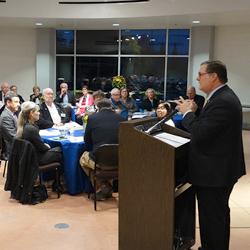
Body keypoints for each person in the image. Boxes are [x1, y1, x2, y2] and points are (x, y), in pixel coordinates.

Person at [175, 60, 246, 250]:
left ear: (213, 76)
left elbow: (200, 133)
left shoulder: (223, 101)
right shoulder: (219, 97)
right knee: (214, 217)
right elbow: (210, 128)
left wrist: (187, 114)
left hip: (215, 172)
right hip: (217, 169)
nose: (197, 78)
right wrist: (196, 113)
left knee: (213, 218)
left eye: (200, 74)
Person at [80, 98, 126, 201]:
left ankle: (102, 186)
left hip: (100, 161)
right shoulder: (122, 119)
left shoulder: (92, 118)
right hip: (119, 160)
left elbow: (87, 140)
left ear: (97, 108)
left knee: (83, 159)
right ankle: (105, 186)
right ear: (111, 107)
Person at [16, 101, 62, 166]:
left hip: (28, 157)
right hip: (35, 159)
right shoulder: (31, 129)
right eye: (37, 111)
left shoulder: (24, 125)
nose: (39, 113)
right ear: (31, 113)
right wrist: (47, 146)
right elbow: (43, 148)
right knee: (60, 149)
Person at [0, 91, 20, 155]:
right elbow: (14, 137)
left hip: (16, 147)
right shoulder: (6, 117)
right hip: (12, 153)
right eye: (16, 102)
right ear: (8, 103)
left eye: (19, 102)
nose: (19, 104)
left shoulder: (12, 113)